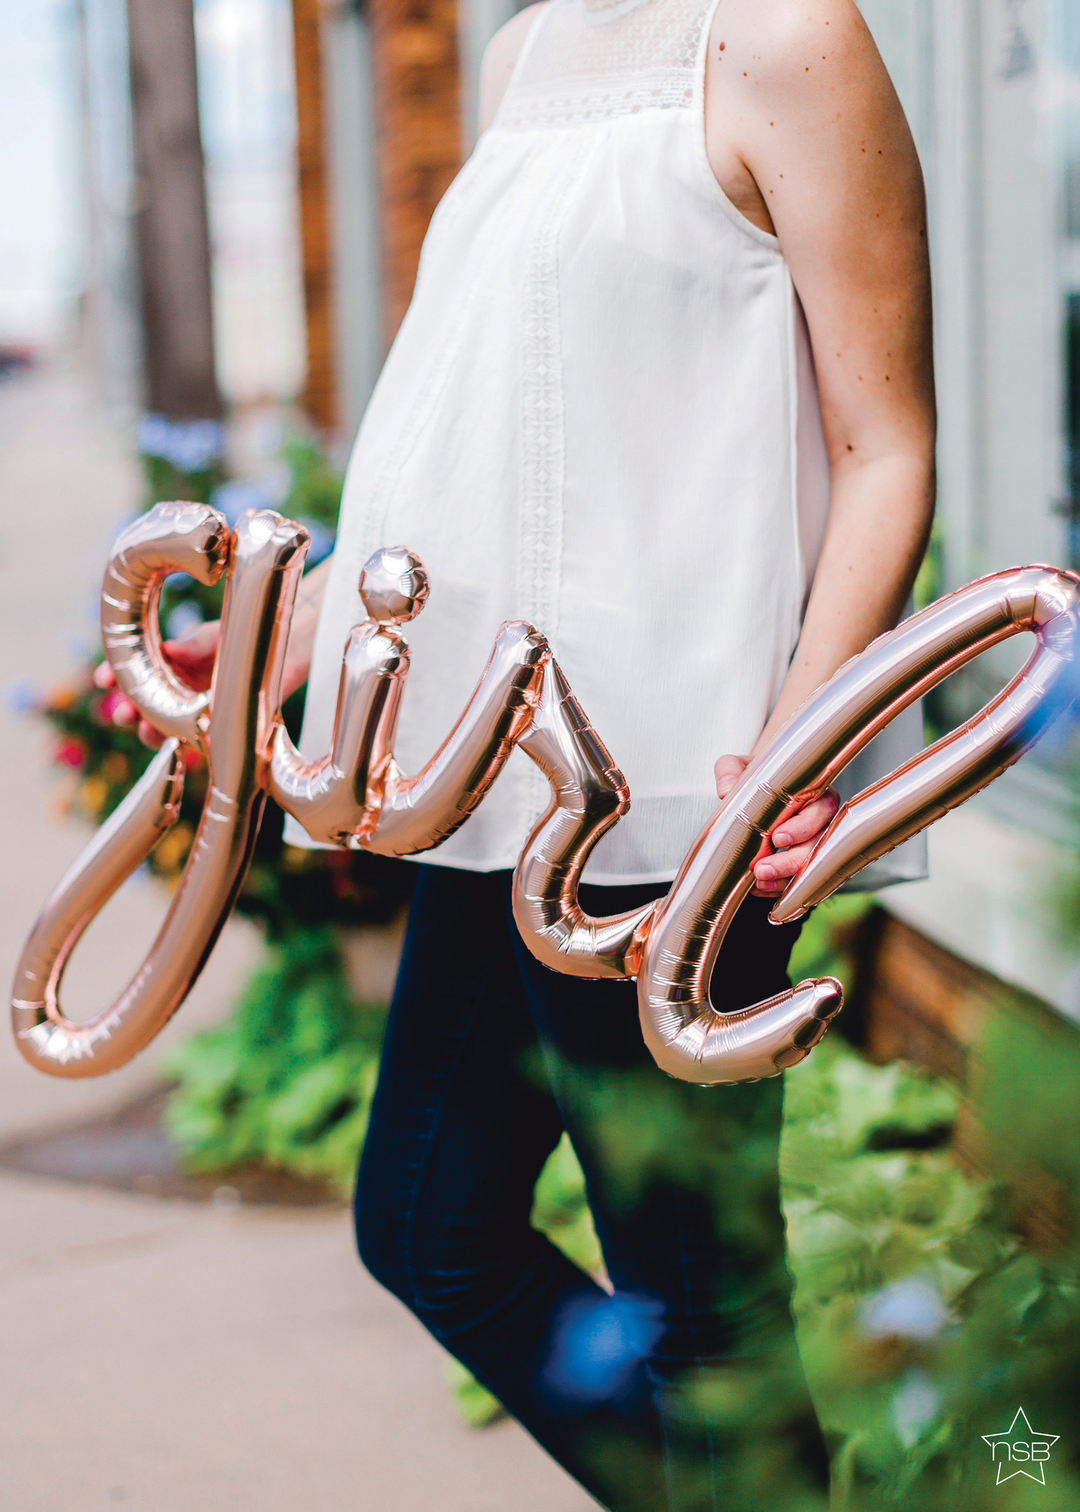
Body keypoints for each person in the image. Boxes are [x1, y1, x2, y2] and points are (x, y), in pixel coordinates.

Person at [102, 0, 934, 1504]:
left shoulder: (787, 37)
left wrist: (795, 751)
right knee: (430, 1226)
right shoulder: (526, 51)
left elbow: (887, 447)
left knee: (703, 1313)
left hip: (676, 799)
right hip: (494, 776)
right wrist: (298, 634)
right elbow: (496, 449)